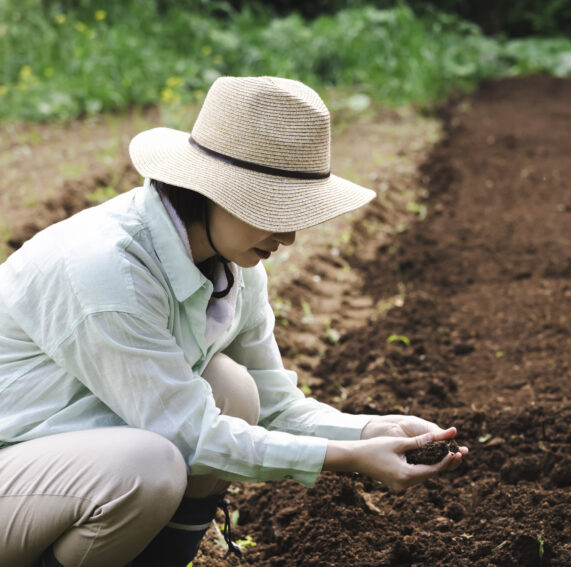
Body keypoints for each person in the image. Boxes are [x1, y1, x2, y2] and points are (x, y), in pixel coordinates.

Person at [0, 76, 467, 567]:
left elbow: (277, 408)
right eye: (274, 210)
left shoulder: (234, 269)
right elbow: (189, 436)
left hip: (61, 459)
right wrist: (345, 460)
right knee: (148, 468)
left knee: (237, 390)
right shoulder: (106, 271)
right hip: (15, 466)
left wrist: (371, 432)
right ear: (210, 190)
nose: (288, 235)